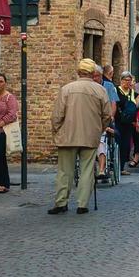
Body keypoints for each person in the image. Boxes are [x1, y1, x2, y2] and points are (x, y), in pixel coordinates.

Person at [49, 59, 112, 214]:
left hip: (67, 135)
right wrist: (100, 129)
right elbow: (107, 115)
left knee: (65, 171)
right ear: (93, 73)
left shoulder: (67, 89)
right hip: (90, 135)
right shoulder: (100, 90)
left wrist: (56, 130)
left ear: (78, 72)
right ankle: (82, 204)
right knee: (87, 169)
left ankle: (61, 202)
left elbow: (57, 115)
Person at [113, 72, 138, 173]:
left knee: (126, 145)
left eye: (129, 80)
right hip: (118, 121)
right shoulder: (116, 90)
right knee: (117, 143)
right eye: (125, 80)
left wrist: (136, 121)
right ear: (121, 80)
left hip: (128, 123)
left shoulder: (132, 92)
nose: (127, 82)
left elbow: (134, 107)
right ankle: (114, 166)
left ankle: (121, 167)